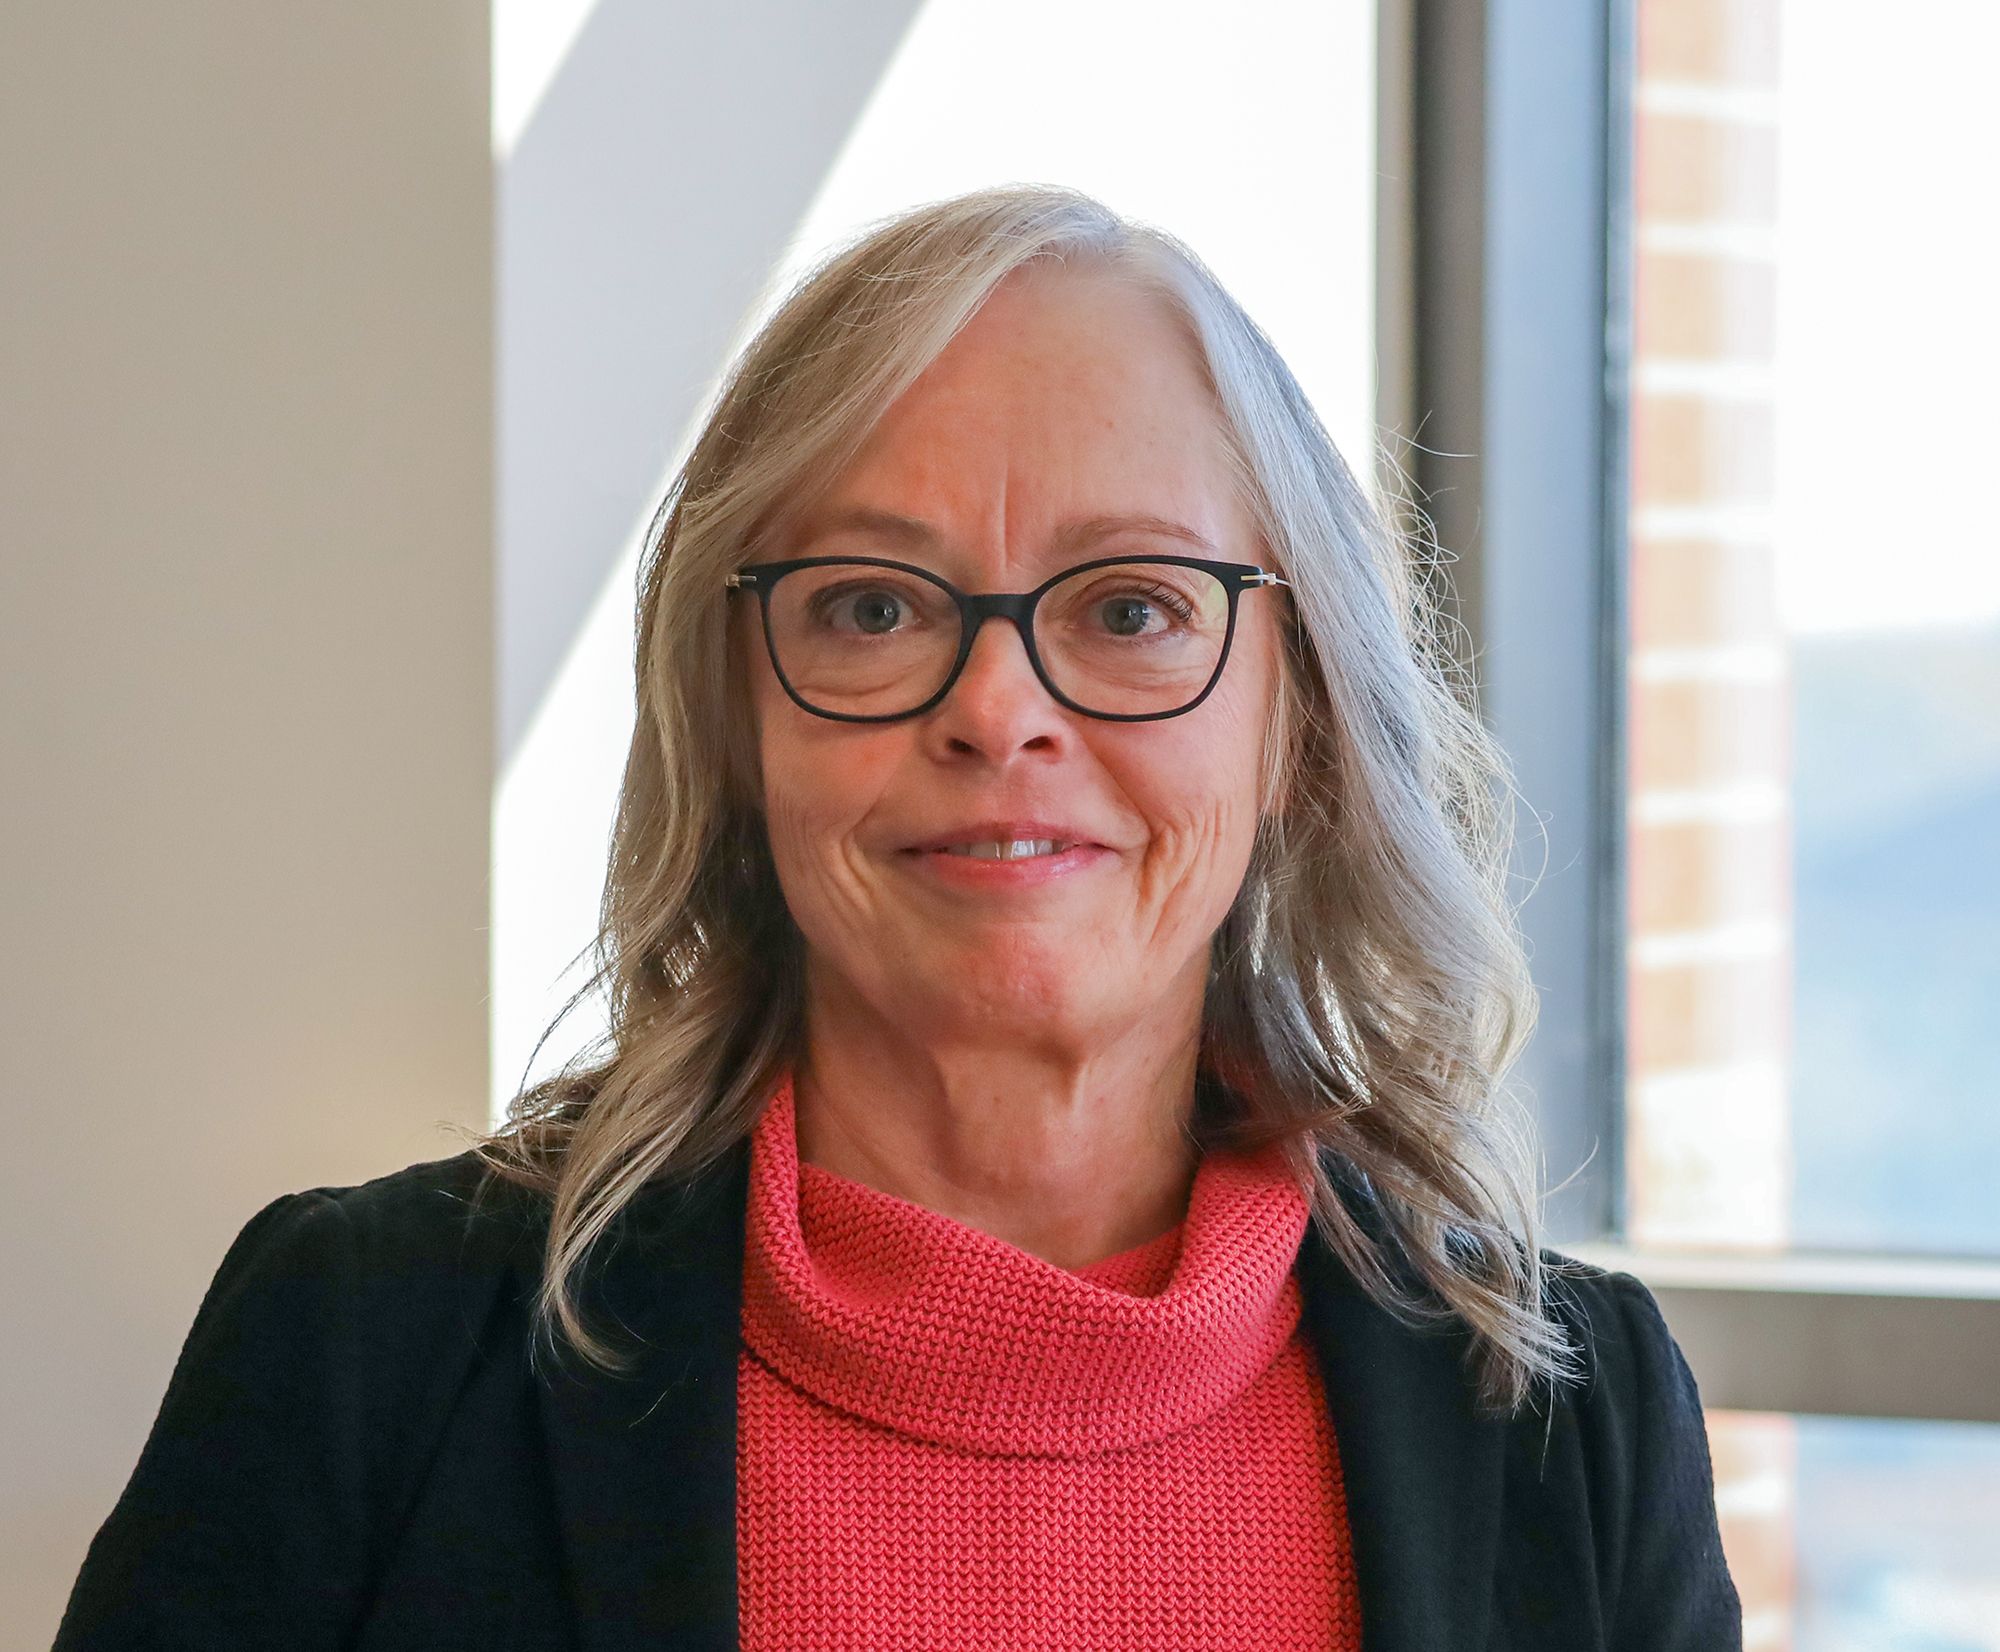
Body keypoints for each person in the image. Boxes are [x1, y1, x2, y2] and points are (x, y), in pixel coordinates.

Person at [53, 184, 1742, 1650]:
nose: (997, 710)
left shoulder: (1572, 1426)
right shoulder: (368, 1346)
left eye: (1136, 607)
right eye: (871, 605)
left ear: (1297, 717)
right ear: (738, 715)